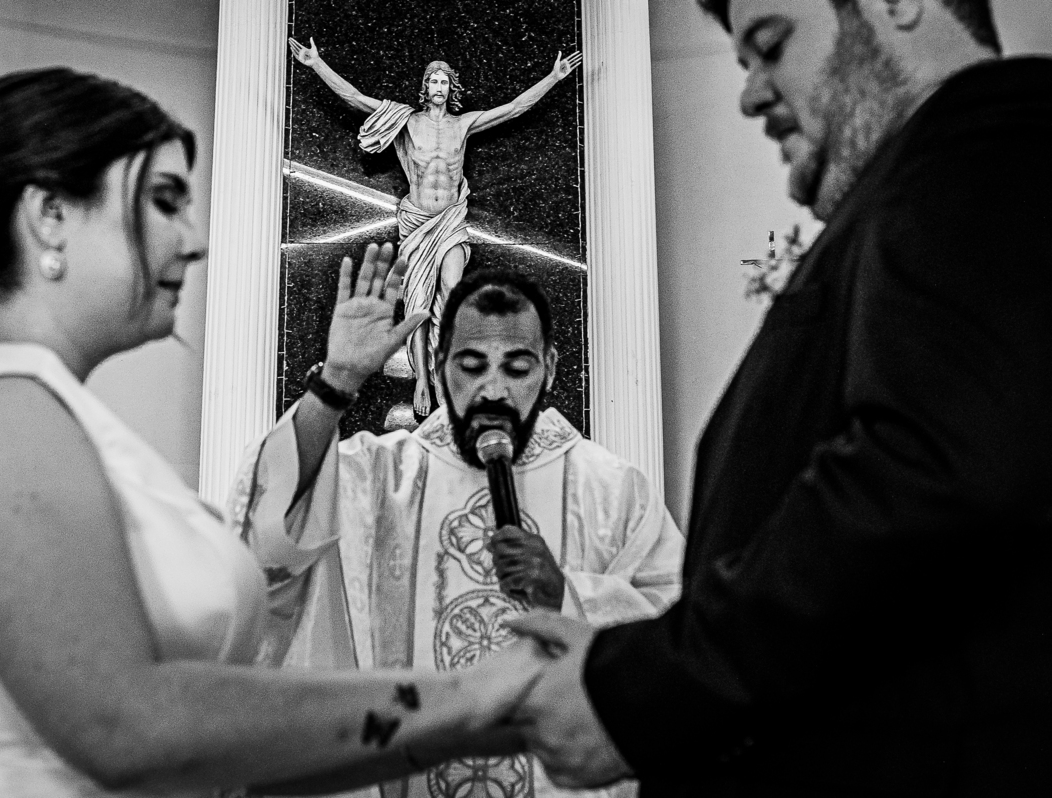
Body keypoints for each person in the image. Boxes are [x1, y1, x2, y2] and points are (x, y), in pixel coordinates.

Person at [0, 67, 546, 797]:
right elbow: (125, 725)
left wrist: (336, 384)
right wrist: (473, 698)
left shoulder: (53, 414)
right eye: (164, 202)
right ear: (50, 215)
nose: (193, 242)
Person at [507, 0, 1052, 795]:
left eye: (771, 45)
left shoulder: (986, 138)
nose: (751, 94)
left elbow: (931, 472)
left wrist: (649, 691)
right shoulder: (916, 187)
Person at [232, 261, 684, 798]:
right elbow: (266, 536)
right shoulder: (379, 475)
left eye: (517, 368)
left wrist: (569, 593)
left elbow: (678, 639)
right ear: (441, 364)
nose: (493, 390)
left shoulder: (612, 491)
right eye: (472, 366)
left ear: (551, 368)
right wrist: (338, 381)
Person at [287, 37, 582, 415]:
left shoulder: (462, 125)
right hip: (418, 221)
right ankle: (423, 379)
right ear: (424, 89)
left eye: (444, 82)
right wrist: (317, 64)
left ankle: (447, 370)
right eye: (433, 82)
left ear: (450, 88)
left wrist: (554, 78)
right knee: (418, 301)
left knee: (452, 287)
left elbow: (513, 108)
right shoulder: (407, 122)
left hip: (451, 220)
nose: (439, 88)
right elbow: (357, 99)